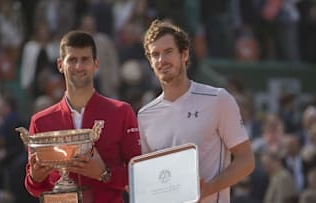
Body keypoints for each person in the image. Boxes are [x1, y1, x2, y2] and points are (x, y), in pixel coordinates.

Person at [138, 19, 255, 203]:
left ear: (184, 54)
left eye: (168, 52)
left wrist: (208, 189)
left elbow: (246, 160)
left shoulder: (218, 99)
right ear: (150, 62)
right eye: (155, 55)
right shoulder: (144, 116)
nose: (162, 60)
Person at [23, 31, 141, 203]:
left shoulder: (121, 112)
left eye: (85, 60)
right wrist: (36, 177)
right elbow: (34, 187)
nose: (78, 66)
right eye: (72, 60)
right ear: (60, 65)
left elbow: (139, 175)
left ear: (96, 64)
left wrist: (104, 173)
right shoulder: (40, 121)